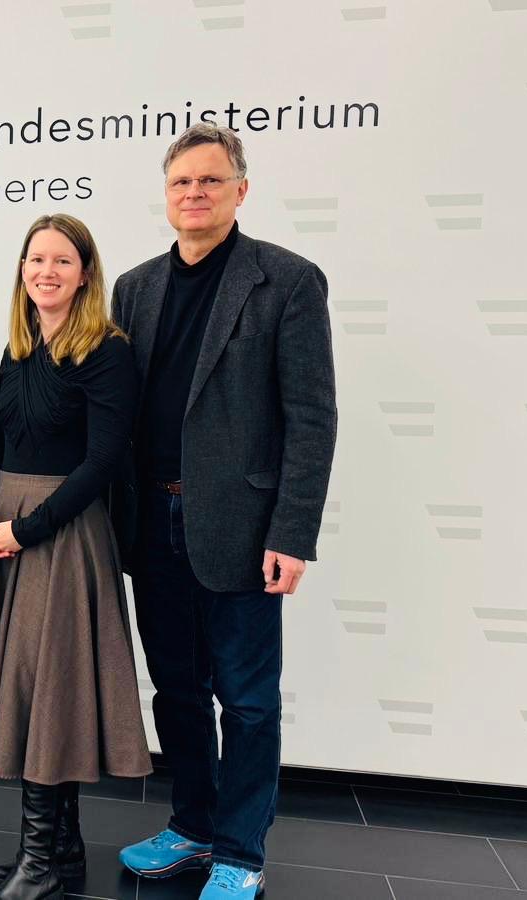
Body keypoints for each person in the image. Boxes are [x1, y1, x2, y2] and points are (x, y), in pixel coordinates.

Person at [112, 123, 337, 900]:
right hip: (152, 523)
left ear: (241, 191)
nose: (195, 193)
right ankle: (192, 826)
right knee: (176, 691)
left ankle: (240, 851)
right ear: (165, 195)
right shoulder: (135, 287)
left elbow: (312, 418)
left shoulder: (287, 280)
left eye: (210, 181)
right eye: (182, 182)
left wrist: (292, 533)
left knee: (245, 700)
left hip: (243, 528)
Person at [0, 213, 152, 900]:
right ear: (22, 269)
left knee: (46, 687)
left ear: (85, 273)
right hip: (6, 530)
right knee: (29, 686)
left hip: (61, 536)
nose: (47, 271)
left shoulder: (106, 350)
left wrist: (27, 529)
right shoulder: (18, 347)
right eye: (36, 259)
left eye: (62, 261)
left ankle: (38, 862)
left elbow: (102, 462)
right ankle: (60, 851)